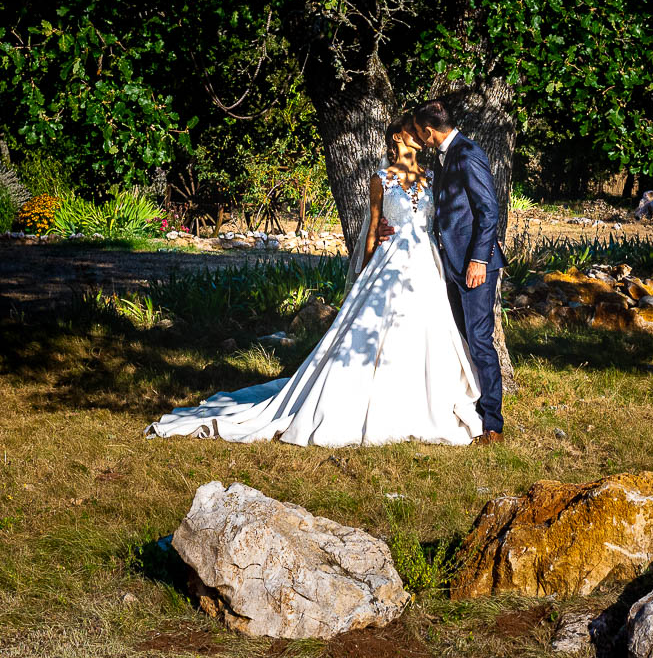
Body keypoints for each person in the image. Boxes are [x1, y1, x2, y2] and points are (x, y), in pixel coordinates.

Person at [146, 120, 483, 445]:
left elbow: (450, 218)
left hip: (426, 262)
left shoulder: (433, 176)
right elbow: (373, 229)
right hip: (389, 263)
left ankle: (424, 399)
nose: (420, 136)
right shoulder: (381, 178)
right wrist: (365, 271)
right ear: (397, 137)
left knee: (427, 330)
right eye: (412, 130)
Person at [405, 99, 506, 443]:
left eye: (420, 133)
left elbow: (489, 211)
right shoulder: (444, 156)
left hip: (475, 266)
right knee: (462, 339)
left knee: (480, 341)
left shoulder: (467, 154)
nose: (419, 139)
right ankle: (471, 407)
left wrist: (478, 260)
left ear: (429, 130)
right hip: (451, 265)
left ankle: (493, 423)